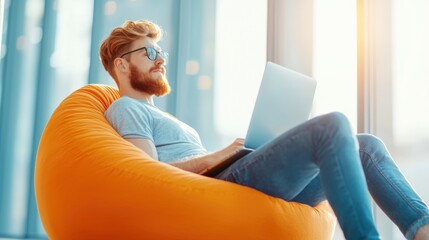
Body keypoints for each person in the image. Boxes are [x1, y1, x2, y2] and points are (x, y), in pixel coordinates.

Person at [99, 19, 429, 240]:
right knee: (333, 125)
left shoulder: (164, 117)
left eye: (162, 53)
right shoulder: (126, 108)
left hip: (231, 180)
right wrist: (223, 153)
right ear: (123, 64)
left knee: (366, 146)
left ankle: (422, 228)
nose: (161, 60)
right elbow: (149, 176)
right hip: (219, 186)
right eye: (151, 52)